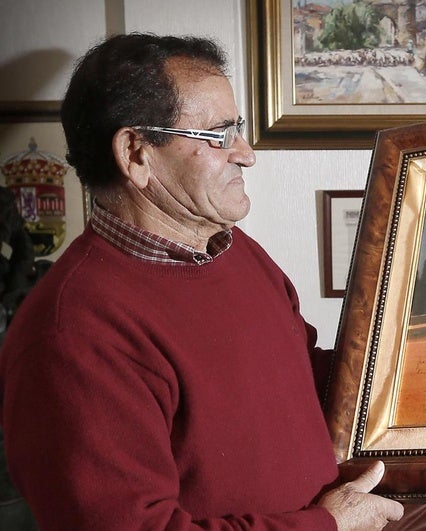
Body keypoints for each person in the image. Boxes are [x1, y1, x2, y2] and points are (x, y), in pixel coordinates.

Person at [0, 33, 403, 530]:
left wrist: (404, 359)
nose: (247, 153)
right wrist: (327, 525)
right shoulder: (72, 333)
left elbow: (300, 379)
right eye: (219, 134)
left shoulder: (234, 251)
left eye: (239, 128)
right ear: (137, 153)